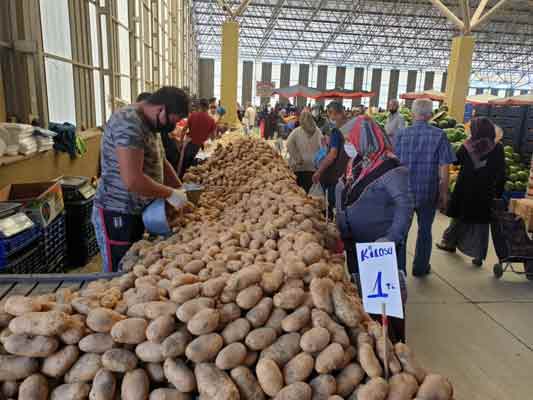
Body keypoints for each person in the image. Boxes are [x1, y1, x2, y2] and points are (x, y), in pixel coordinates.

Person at [92, 86, 190, 272]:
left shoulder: (150, 123)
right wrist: (170, 193)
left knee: (133, 267)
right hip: (118, 211)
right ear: (160, 108)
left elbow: (160, 159)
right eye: (172, 121)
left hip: (138, 211)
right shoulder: (128, 123)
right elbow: (133, 180)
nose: (170, 127)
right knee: (118, 273)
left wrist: (180, 188)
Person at [336, 115, 413, 342]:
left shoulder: (391, 168)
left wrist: (392, 237)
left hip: (379, 247)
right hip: (355, 241)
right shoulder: (358, 162)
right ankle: (369, 338)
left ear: (364, 139)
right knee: (361, 293)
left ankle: (390, 343)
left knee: (384, 302)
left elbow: (405, 206)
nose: (348, 145)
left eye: (350, 140)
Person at [394, 98, 456, 277]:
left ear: (413, 113)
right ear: (430, 115)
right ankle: (420, 268)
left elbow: (393, 164)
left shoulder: (401, 134)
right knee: (425, 231)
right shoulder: (439, 135)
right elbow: (444, 168)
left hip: (404, 191)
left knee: (402, 232)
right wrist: (444, 194)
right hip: (428, 192)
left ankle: (400, 270)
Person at [436, 117, 505, 266]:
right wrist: (498, 193)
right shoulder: (497, 148)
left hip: (464, 190)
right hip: (485, 192)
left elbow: (455, 161)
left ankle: (449, 243)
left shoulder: (467, 146)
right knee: (481, 224)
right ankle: (478, 256)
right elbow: (501, 172)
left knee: (458, 218)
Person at [313, 101, 349, 217]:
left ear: (334, 113)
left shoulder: (336, 131)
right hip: (348, 175)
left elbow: (333, 155)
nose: (330, 118)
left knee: (331, 207)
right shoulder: (351, 127)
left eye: (330, 115)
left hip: (335, 176)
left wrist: (319, 172)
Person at [178, 98, 216, 178]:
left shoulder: (193, 115)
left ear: (199, 105)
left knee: (184, 169)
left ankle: (180, 184)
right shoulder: (211, 120)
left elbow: (184, 130)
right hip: (201, 149)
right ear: (208, 107)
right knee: (196, 172)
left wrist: (181, 142)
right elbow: (213, 137)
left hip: (189, 145)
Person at [286, 111, 322, 193]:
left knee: (298, 192)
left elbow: (288, 145)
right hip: (312, 167)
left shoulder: (297, 131)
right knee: (307, 191)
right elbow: (322, 149)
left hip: (299, 166)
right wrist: (318, 161)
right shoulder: (318, 131)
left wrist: (297, 158)